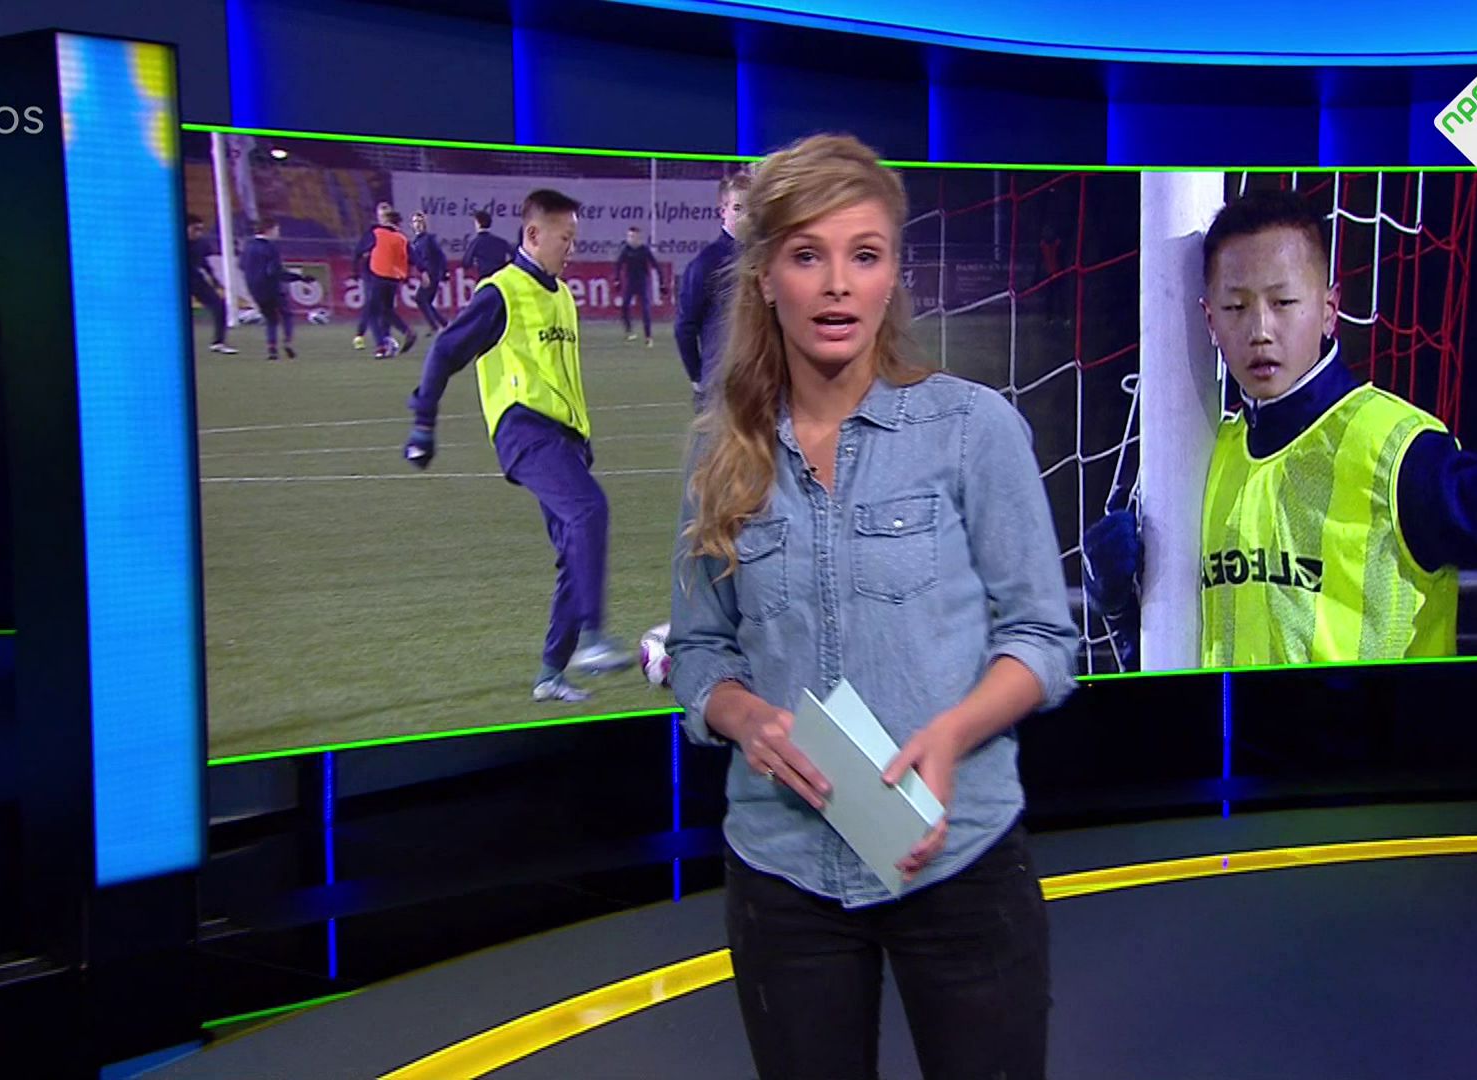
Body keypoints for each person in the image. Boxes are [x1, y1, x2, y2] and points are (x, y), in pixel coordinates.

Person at [668, 134, 1076, 1080]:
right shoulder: (719, 456)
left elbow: (1043, 638)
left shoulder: (973, 429)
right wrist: (742, 716)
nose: (838, 285)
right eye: (807, 256)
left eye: (865, 255)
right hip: (783, 874)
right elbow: (697, 650)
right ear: (764, 276)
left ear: (893, 275)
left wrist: (952, 734)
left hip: (960, 860)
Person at [1083, 188, 1477, 668]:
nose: (1259, 330)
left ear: (1329, 310)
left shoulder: (1397, 449)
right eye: (1236, 307)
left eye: (1283, 303)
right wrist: (1126, 616)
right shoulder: (1205, 460)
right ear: (1210, 321)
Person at [404, 188, 636, 703]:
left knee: (574, 547)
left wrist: (581, 440)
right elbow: (444, 350)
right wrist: (423, 421)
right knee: (589, 511)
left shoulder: (562, 296)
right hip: (523, 430)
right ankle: (593, 638)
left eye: (574, 238)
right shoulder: (500, 292)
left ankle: (550, 674)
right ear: (533, 234)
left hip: (564, 440)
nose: (571, 247)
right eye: (564, 238)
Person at [674, 170, 750, 411]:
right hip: (721, 385)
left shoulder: (769, 259)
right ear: (722, 211)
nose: (746, 216)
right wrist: (699, 379)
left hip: (764, 383)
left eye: (752, 209)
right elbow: (685, 327)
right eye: (738, 208)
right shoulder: (706, 263)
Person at [238, 219, 310, 361]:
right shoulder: (270, 248)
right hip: (271, 287)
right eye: (277, 229)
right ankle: (287, 342)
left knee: (270, 319)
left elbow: (241, 266)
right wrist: (299, 278)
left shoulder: (248, 246)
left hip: (254, 289)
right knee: (287, 314)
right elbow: (274, 271)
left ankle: (272, 349)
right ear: (269, 230)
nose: (278, 232)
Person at [365, 205, 417, 358]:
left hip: (379, 275)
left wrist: (359, 261)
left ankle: (382, 345)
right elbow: (411, 257)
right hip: (394, 278)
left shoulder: (377, 233)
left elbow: (362, 248)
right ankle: (406, 332)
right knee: (387, 310)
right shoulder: (402, 238)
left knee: (374, 311)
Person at [186, 214, 237, 354]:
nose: (198, 233)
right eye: (195, 229)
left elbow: (205, 263)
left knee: (219, 306)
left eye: (201, 229)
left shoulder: (201, 244)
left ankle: (218, 342)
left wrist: (214, 280)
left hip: (195, 279)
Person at [353, 201, 393, 350]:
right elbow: (358, 252)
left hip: (389, 275)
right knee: (372, 306)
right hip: (371, 275)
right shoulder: (372, 233)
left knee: (386, 308)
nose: (385, 219)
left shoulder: (395, 233)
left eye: (387, 215)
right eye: (382, 216)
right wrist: (355, 270)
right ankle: (378, 341)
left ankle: (381, 337)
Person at [614, 225, 661, 346]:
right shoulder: (626, 250)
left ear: (638, 238)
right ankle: (629, 331)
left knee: (645, 309)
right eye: (629, 236)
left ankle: (648, 337)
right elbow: (618, 265)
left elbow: (655, 265)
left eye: (633, 236)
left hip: (643, 281)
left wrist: (661, 282)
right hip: (630, 281)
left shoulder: (644, 250)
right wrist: (617, 279)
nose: (631, 239)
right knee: (625, 305)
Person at [409, 211, 448, 335]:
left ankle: (435, 326)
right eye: (415, 221)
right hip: (426, 273)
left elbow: (440, 256)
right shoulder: (415, 242)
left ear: (425, 224)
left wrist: (445, 272)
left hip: (432, 273)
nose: (418, 224)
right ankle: (444, 324)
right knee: (426, 301)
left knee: (420, 299)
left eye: (420, 221)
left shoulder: (429, 239)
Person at [460, 208, 513, 283]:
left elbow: (466, 262)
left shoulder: (476, 242)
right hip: (501, 279)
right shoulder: (501, 242)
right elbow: (514, 256)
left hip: (485, 279)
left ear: (478, 224)